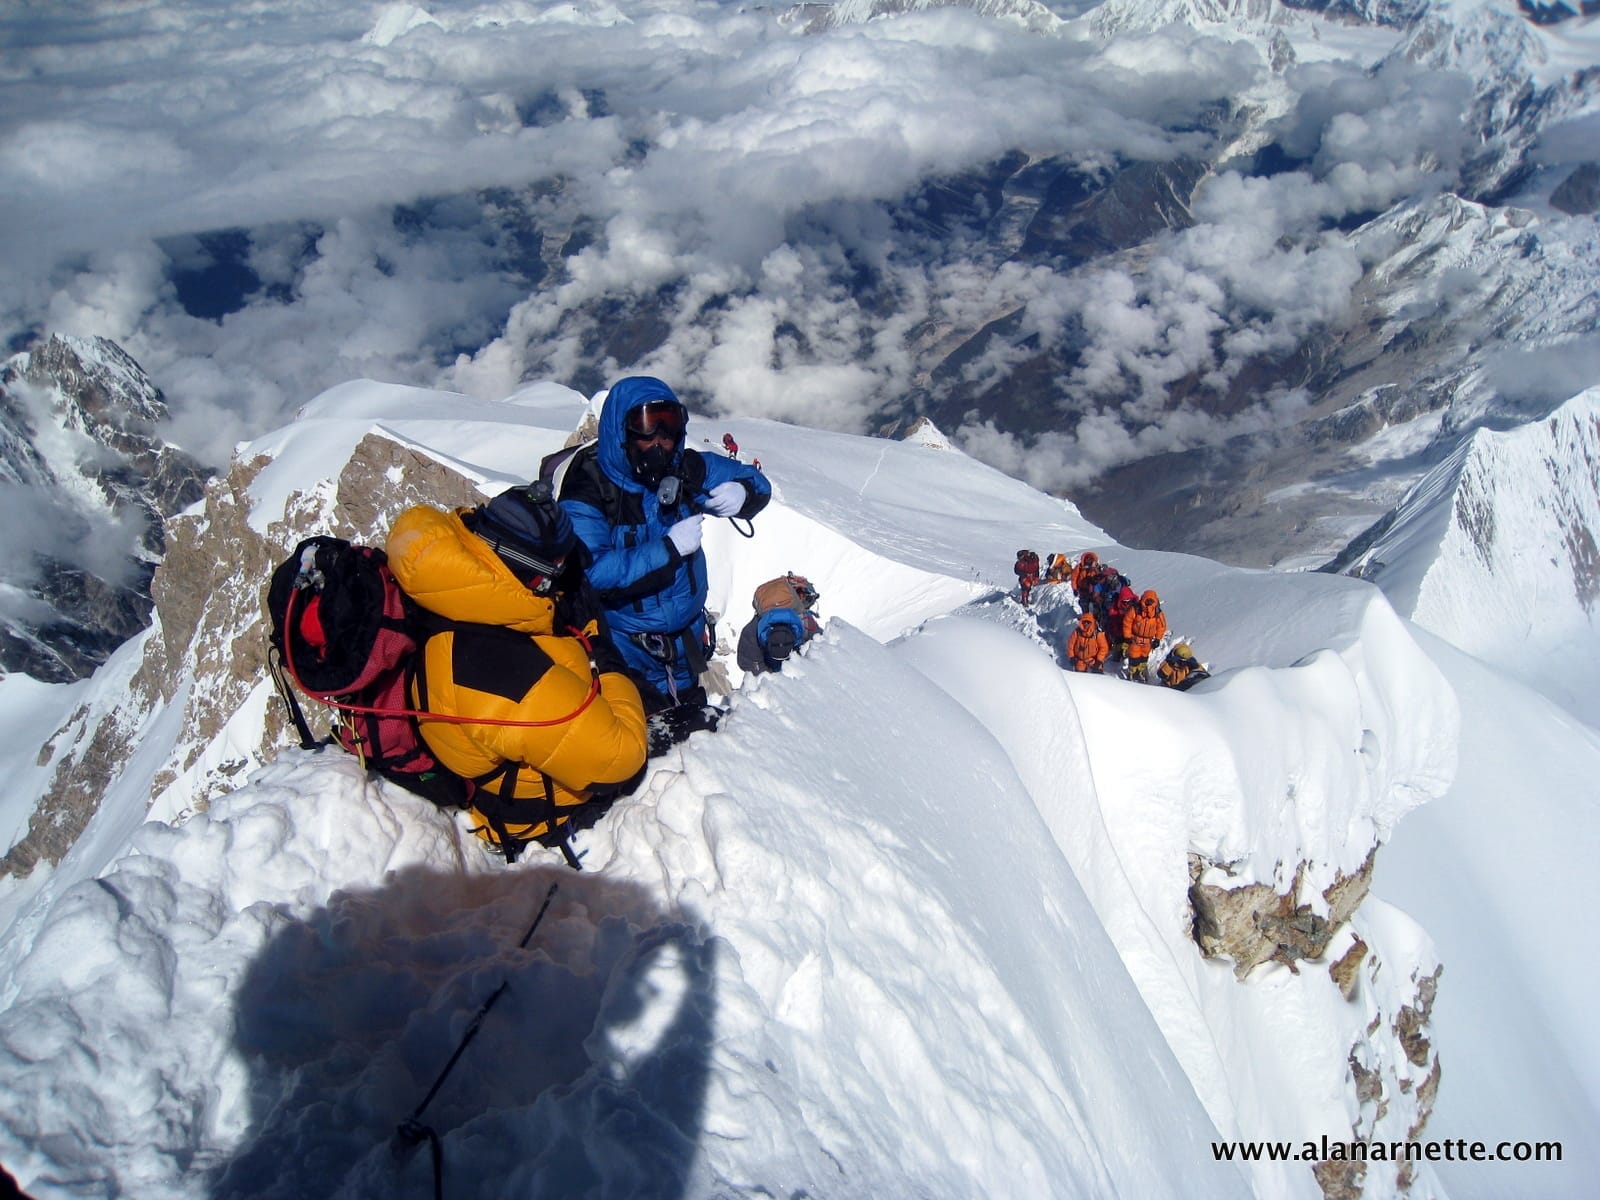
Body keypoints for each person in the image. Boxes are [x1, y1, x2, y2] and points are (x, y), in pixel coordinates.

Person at [385, 483, 650, 862]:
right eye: (555, 572)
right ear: (533, 577)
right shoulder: (494, 664)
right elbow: (620, 758)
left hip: (519, 727)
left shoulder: (458, 587)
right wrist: (606, 660)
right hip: (536, 821)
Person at [557, 376, 771, 721]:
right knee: (646, 737)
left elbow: (755, 479)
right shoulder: (590, 489)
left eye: (668, 429)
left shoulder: (682, 469)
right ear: (622, 433)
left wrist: (744, 493)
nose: (660, 442)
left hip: (685, 641)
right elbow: (590, 572)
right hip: (625, 647)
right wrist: (668, 548)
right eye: (646, 430)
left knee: (695, 729)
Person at [737, 573, 821, 675]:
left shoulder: (755, 626)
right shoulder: (805, 620)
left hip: (768, 679)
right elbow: (822, 645)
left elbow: (746, 661)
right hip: (798, 677)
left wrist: (771, 680)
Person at [1122, 588, 1168, 681]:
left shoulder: (1158, 613)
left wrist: (1158, 639)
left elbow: (1161, 627)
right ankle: (1132, 673)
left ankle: (1141, 671)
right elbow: (1127, 622)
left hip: (1148, 641)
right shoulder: (1135, 610)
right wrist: (1127, 636)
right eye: (1147, 601)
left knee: (1144, 657)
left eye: (1151, 601)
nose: (1149, 603)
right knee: (1134, 657)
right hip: (1135, 638)